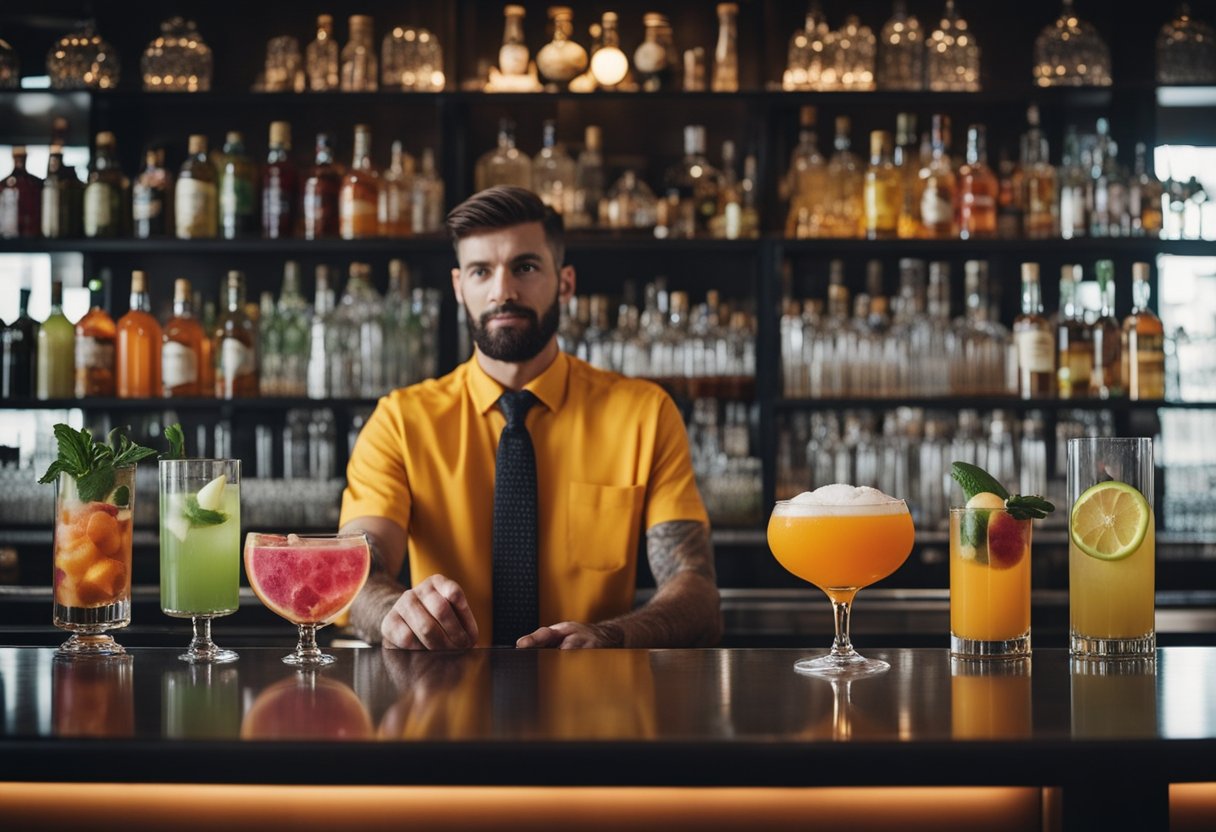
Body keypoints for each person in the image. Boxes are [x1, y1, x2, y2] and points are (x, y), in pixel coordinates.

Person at [339, 185, 721, 650]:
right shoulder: (400, 421)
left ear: (564, 282)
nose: (503, 290)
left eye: (525, 266)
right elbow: (357, 570)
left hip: (595, 703)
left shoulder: (644, 413)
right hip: (445, 710)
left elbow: (696, 587)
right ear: (460, 287)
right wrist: (392, 615)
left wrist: (611, 635)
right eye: (481, 271)